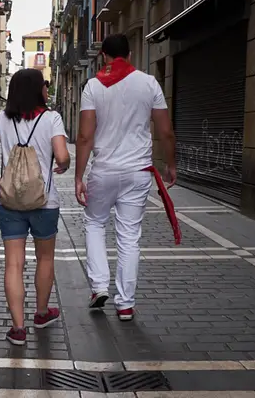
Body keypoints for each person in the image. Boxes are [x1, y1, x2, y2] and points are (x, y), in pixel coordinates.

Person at [74, 34, 176, 321]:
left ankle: (98, 286)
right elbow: (166, 131)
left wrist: (79, 176)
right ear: (129, 55)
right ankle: (126, 304)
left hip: (104, 171)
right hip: (138, 173)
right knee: (129, 236)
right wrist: (171, 164)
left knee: (94, 223)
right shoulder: (149, 83)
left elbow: (84, 136)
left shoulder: (93, 86)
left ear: (103, 56)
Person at [0, 69, 70, 345]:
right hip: (45, 202)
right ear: (38, 90)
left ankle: (18, 328)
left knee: (13, 263)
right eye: (45, 87)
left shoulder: (1, 119)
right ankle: (40, 313)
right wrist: (63, 164)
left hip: (9, 201)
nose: (47, 91)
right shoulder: (52, 119)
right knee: (45, 259)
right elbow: (61, 156)